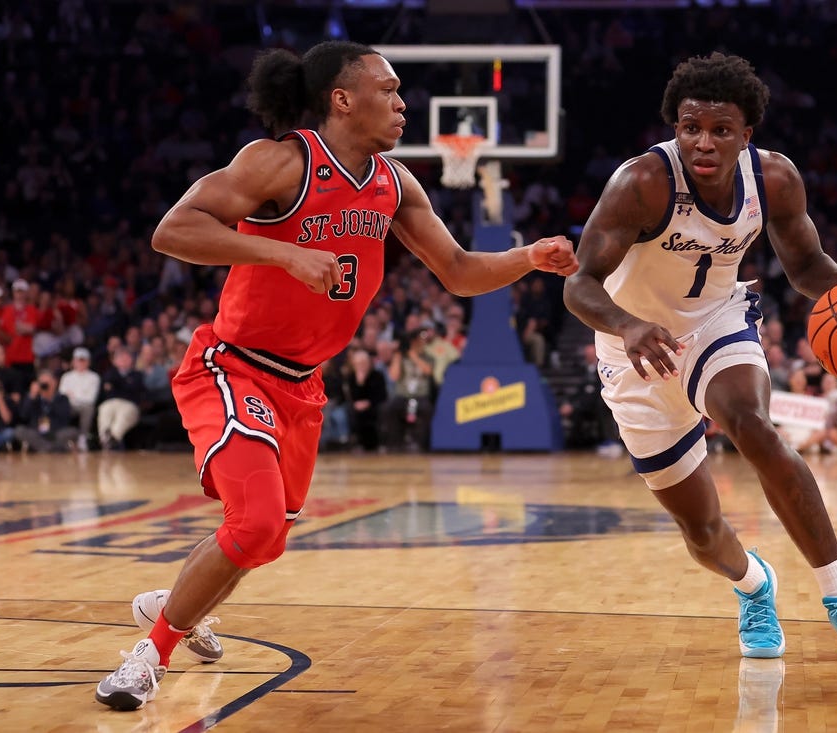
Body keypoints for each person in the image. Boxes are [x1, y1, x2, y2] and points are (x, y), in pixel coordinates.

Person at [95, 40, 577, 711]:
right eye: (389, 89)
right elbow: (173, 230)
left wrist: (529, 255)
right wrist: (281, 252)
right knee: (258, 523)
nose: (404, 103)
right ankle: (149, 656)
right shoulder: (279, 161)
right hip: (233, 366)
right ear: (342, 98)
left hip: (303, 385)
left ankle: (174, 602)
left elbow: (460, 271)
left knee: (259, 535)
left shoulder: (394, 182)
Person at [563, 52, 837, 664]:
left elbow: (805, 267)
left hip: (716, 323)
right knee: (701, 532)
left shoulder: (774, 179)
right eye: (690, 127)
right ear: (675, 127)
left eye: (721, 130)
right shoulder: (641, 183)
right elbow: (579, 283)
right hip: (632, 347)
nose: (704, 141)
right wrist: (626, 324)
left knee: (753, 426)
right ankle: (754, 585)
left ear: (747, 135)